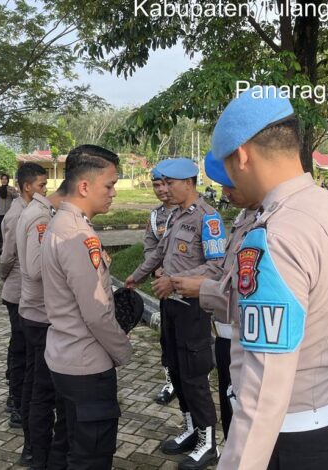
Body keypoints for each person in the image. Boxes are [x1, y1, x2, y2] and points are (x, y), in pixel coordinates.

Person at [207, 87, 328, 469]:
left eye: (226, 165)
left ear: (242, 156)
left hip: (292, 443)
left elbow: (264, 390)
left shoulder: (274, 238)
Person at [125, 158, 227, 470]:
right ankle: (190, 429)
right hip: (169, 304)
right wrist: (136, 277)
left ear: (188, 182)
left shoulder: (208, 218)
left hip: (192, 307)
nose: (165, 189)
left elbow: (216, 266)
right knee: (176, 369)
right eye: (164, 183)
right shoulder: (174, 216)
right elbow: (159, 252)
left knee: (194, 375)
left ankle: (208, 443)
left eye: (170, 183)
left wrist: (174, 281)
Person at [42, 145, 133, 469]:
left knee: (66, 446)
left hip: (64, 357)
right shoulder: (79, 235)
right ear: (84, 186)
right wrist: (123, 350)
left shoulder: (59, 224)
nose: (113, 193)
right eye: (109, 185)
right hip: (87, 367)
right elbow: (96, 314)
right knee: (90, 456)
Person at [170, 152, 260, 442]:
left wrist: (200, 287)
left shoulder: (264, 223)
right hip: (224, 333)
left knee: (241, 417)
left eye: (229, 185)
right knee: (229, 408)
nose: (225, 192)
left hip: (244, 338)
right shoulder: (245, 217)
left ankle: (211, 443)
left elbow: (245, 290)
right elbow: (226, 269)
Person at [16, 178, 69, 470]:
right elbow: (36, 268)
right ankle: (38, 453)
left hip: (34, 311)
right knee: (42, 391)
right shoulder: (41, 217)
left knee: (35, 384)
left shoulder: (38, 212)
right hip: (40, 313)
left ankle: (33, 449)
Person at [0, 162, 48, 443]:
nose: (45, 190)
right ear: (27, 187)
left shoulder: (32, 210)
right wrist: (4, 276)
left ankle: (18, 396)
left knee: (24, 349)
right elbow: (7, 256)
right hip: (18, 290)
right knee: (21, 349)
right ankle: (16, 401)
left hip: (24, 291)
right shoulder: (19, 214)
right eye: (41, 185)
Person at [144, 162, 177, 406]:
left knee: (192, 342)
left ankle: (196, 379)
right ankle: (171, 381)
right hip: (164, 289)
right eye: (157, 185)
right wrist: (155, 268)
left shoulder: (196, 212)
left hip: (190, 290)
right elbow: (150, 247)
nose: (162, 189)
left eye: (167, 184)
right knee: (168, 338)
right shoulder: (155, 216)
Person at [0, 174, 20, 255]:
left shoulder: (11, 189)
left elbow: (17, 197)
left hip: (9, 213)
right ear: (1, 180)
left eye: (5, 179)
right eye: (2, 179)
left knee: (10, 230)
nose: (4, 180)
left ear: (8, 180)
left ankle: (10, 247)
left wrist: (11, 193)